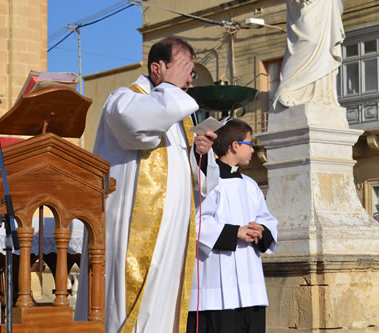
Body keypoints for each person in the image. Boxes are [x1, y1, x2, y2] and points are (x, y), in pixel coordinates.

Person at [74, 37, 220, 333]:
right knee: (131, 300)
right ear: (157, 68)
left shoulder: (181, 118)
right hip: (133, 228)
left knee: (164, 303)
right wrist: (172, 88)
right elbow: (139, 129)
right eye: (183, 67)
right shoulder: (124, 99)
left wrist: (200, 153)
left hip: (174, 231)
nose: (188, 79)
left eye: (191, 72)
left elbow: (203, 182)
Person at [186, 119, 278, 333]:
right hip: (216, 291)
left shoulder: (250, 185)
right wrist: (235, 231)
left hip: (251, 287)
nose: (253, 150)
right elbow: (196, 224)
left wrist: (261, 231)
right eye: (249, 143)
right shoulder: (206, 182)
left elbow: (267, 219)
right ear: (235, 146)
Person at [273, 0, 345, 108]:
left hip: (326, 5)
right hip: (305, 7)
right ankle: (289, 88)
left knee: (326, 50)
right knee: (308, 43)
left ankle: (322, 95)